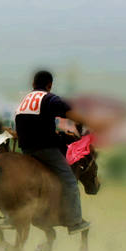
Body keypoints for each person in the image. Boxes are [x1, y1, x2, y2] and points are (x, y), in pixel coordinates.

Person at [14, 70, 93, 234]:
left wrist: (59, 134)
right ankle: (75, 222)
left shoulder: (25, 100)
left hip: (26, 149)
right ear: (49, 85)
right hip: (45, 149)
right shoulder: (49, 98)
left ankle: (11, 215)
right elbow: (69, 112)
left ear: (33, 84)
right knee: (70, 181)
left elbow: (33, 124)